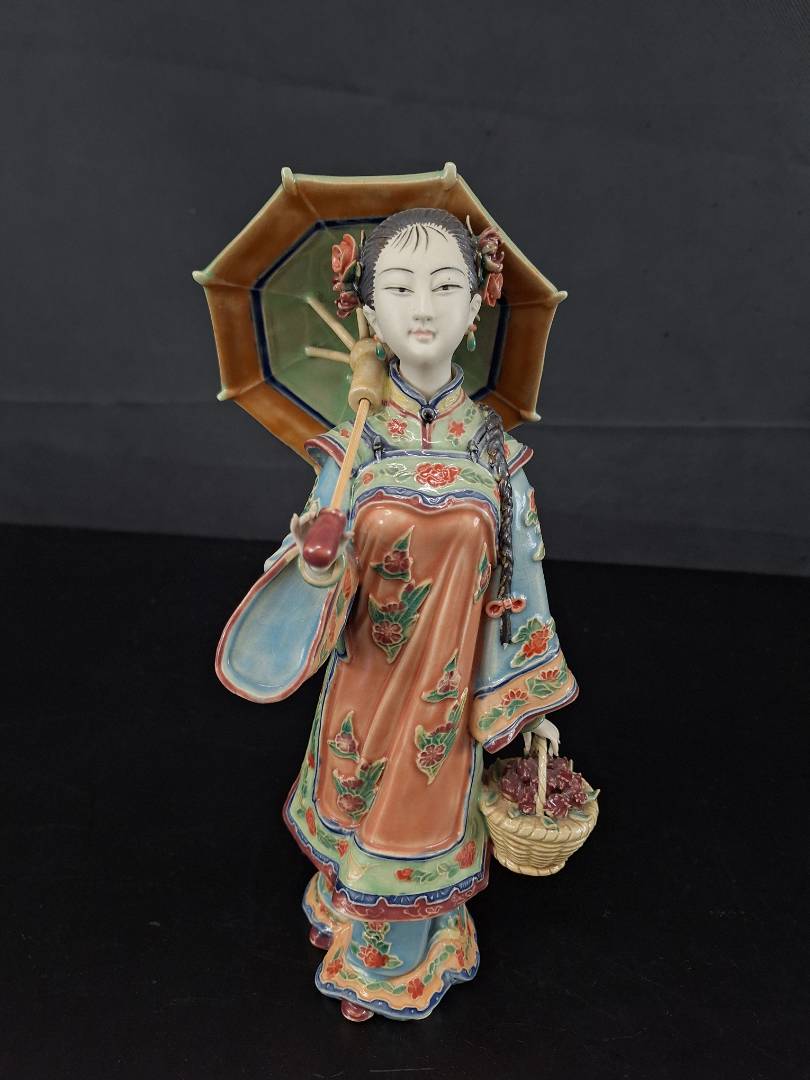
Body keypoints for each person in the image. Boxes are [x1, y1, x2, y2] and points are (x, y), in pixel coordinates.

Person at [215, 208, 578, 1021]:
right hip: (365, 679)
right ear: (370, 315)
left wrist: (531, 708)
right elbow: (311, 571)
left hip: (444, 695)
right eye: (400, 289)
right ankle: (351, 920)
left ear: (476, 307)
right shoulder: (351, 446)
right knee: (353, 804)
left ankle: (394, 962)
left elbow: (522, 580)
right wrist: (317, 559)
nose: (423, 307)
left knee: (415, 821)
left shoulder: (495, 453)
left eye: (445, 286)